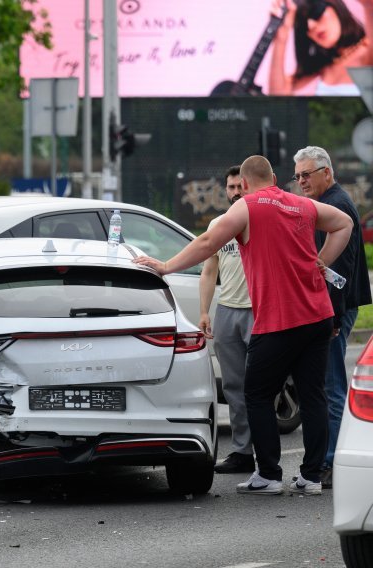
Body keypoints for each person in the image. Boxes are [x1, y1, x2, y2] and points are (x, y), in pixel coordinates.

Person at [133, 155, 352, 496]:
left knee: (257, 393)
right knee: (313, 396)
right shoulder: (302, 204)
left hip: (279, 319)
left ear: (245, 184)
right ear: (275, 178)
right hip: (318, 315)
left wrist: (165, 267)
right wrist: (322, 261)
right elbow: (344, 224)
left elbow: (208, 243)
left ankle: (268, 474)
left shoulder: (246, 207)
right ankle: (310, 477)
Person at [292, 146, 372, 489]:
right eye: (297, 176)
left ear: (327, 171)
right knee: (328, 385)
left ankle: (331, 462)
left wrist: (333, 317)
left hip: (336, 308)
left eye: (306, 175)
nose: (301, 182)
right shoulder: (331, 202)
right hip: (337, 306)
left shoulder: (335, 205)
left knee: (333, 386)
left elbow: (337, 268)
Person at [199, 166, 255, 475]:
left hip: (259, 311)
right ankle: (242, 452)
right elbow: (209, 271)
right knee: (233, 386)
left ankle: (268, 455)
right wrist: (205, 310)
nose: (235, 192)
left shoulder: (261, 221)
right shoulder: (218, 225)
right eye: (231, 187)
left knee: (260, 387)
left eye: (240, 187)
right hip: (227, 311)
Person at [268, 0, 373, 96]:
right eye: (303, 23)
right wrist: (281, 38)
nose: (310, 25)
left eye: (315, 12)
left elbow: (369, 6)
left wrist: (368, 6)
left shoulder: (367, 50)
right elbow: (278, 95)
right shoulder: (324, 65)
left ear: (335, 6)